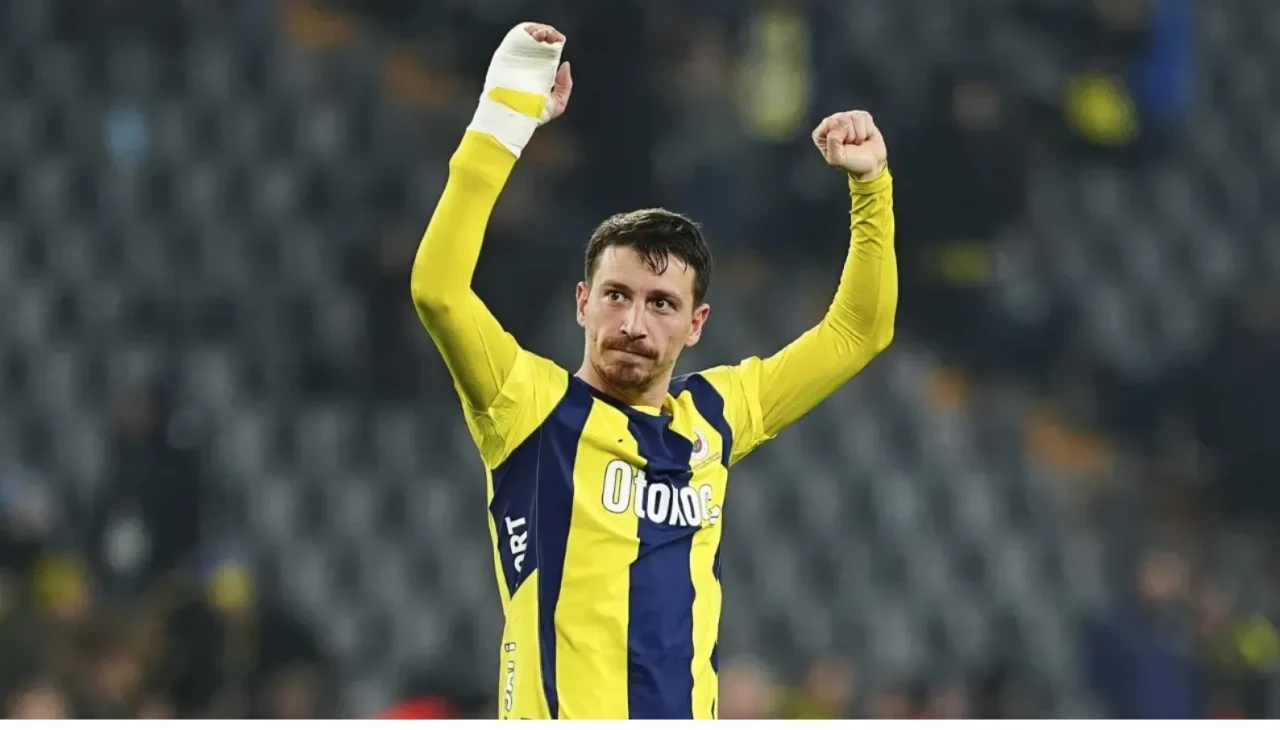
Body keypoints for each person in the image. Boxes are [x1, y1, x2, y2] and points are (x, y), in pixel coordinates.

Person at [410, 22, 896, 720]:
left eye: (662, 303)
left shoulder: (718, 415)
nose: (635, 324)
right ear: (583, 303)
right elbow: (438, 291)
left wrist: (871, 186)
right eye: (617, 296)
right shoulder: (528, 406)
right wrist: (505, 118)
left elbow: (858, 332)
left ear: (697, 324)